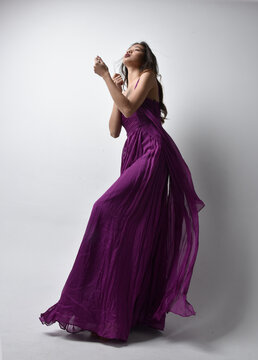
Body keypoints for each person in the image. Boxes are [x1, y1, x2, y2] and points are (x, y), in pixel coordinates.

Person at [39, 41, 205, 342]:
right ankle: (110, 313)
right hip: (133, 153)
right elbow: (115, 129)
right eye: (127, 47)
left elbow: (130, 108)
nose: (129, 50)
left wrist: (104, 78)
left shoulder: (148, 76)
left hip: (152, 153)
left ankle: (109, 312)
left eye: (137, 47)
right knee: (128, 231)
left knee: (102, 208)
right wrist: (114, 88)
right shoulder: (126, 86)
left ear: (146, 57)